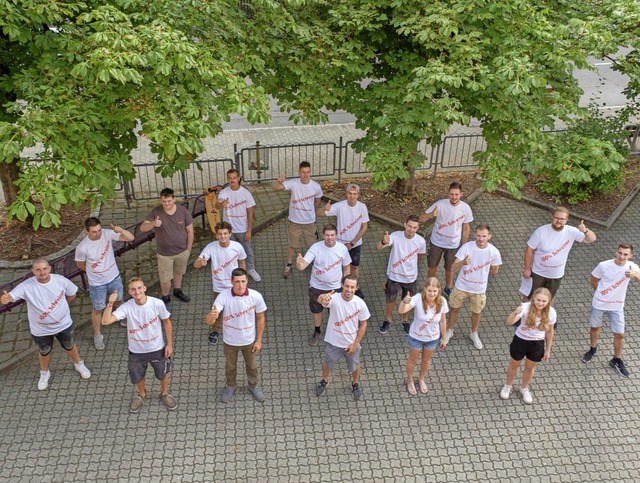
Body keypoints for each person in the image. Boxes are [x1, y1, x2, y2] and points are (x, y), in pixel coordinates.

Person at [0, 259, 91, 391]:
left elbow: (72, 294)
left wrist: (61, 308)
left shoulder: (61, 280)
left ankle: (78, 364)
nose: (42, 272)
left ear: (49, 268)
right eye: (38, 270)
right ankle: (44, 373)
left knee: (70, 346)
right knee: (44, 352)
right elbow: (11, 297)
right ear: (33, 271)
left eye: (44, 269)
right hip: (40, 330)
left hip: (64, 325)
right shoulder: (26, 286)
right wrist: (6, 299)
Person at [102, 277, 177, 413]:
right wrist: (111, 303)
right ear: (130, 292)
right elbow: (106, 321)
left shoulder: (157, 303)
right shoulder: (127, 307)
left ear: (144, 288)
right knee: (138, 376)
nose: (137, 291)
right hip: (136, 352)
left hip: (157, 348)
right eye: (133, 289)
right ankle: (142, 395)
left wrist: (169, 344)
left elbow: (167, 322)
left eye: (139, 288)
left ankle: (164, 393)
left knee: (163, 373)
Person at [206, 268, 267, 403]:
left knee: (252, 366)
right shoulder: (223, 296)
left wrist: (259, 340)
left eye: (243, 281)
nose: (240, 285)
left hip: (249, 340)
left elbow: (261, 318)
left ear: (247, 281)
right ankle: (231, 385)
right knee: (230, 366)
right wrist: (212, 316)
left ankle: (253, 386)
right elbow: (209, 320)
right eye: (237, 282)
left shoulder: (256, 296)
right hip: (230, 341)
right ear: (231, 282)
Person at [75, 216, 134, 350]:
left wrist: (121, 230)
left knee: (119, 300)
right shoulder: (82, 247)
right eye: (94, 232)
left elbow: (130, 238)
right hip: (97, 284)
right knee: (98, 309)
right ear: (87, 232)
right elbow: (80, 264)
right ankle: (97, 335)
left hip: (114, 277)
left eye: (99, 230)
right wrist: (93, 271)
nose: (98, 234)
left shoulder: (107, 234)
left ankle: (123, 318)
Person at [581, 244, 640, 377]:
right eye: (620, 253)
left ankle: (617, 360)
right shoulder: (604, 265)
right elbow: (594, 280)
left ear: (630, 255)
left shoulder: (632, 267)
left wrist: (634, 274)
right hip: (599, 304)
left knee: (619, 334)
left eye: (625, 254)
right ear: (616, 252)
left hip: (617, 306)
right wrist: (601, 293)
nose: (622, 256)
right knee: (595, 327)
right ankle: (592, 349)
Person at [445, 225, 502, 350]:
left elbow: (495, 270)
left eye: (484, 236)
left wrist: (480, 276)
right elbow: (452, 268)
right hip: (461, 286)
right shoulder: (466, 247)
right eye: (478, 235)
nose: (481, 238)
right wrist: (462, 263)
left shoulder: (494, 252)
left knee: (477, 312)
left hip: (479, 290)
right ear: (475, 235)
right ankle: (450, 330)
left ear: (489, 236)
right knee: (454, 309)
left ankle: (474, 333)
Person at [314, 275, 370, 401]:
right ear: (342, 285)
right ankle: (325, 381)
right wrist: (322, 297)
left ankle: (355, 383)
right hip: (333, 341)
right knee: (327, 362)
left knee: (355, 366)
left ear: (356, 288)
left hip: (351, 344)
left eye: (352, 287)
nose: (349, 290)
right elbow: (320, 300)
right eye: (347, 286)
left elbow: (363, 324)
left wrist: (355, 344)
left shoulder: (360, 304)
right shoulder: (334, 298)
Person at [523, 206, 596, 300]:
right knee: (530, 297)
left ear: (566, 220)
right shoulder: (541, 231)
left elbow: (592, 239)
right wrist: (527, 269)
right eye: (556, 218)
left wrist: (585, 231)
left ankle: (546, 314)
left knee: (549, 298)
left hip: (556, 275)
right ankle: (524, 314)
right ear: (552, 217)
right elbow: (530, 249)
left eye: (562, 219)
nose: (559, 221)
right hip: (538, 273)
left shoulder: (571, 231)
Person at [296, 224, 351, 346]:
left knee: (335, 311)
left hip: (335, 288)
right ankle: (317, 331)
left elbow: (346, 267)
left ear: (336, 235)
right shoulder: (316, 248)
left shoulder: (342, 249)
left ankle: (335, 332)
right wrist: (299, 264)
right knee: (316, 310)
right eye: (327, 235)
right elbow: (302, 266)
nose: (330, 238)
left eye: (332, 235)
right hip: (317, 287)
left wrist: (345, 285)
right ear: (323, 235)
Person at [194, 221, 247, 345]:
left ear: (230, 234)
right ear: (216, 235)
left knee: (238, 309)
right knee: (217, 310)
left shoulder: (237, 247)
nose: (223, 236)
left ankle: (238, 330)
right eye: (220, 234)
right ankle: (215, 331)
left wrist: (243, 281)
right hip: (218, 287)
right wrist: (200, 263)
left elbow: (242, 262)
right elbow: (196, 263)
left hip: (235, 286)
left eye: (225, 233)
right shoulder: (210, 247)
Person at [500, 288, 556, 405]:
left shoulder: (551, 312)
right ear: (533, 298)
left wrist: (548, 349)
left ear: (548, 301)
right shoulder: (525, 307)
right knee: (514, 364)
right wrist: (515, 312)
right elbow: (510, 322)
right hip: (520, 340)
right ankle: (508, 386)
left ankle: (524, 388)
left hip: (537, 343)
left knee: (530, 367)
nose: (540, 303)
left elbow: (550, 332)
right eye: (538, 300)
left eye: (544, 301)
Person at [140, 187, 194, 305]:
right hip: (164, 254)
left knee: (179, 272)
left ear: (174, 199)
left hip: (182, 251)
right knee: (165, 277)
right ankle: (165, 296)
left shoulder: (183, 211)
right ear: (161, 200)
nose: (166, 204)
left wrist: (188, 250)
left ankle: (177, 290)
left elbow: (190, 231)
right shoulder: (156, 212)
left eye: (169, 201)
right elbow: (142, 228)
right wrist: (154, 223)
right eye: (164, 201)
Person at [420, 182, 473, 298]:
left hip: (453, 245)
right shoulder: (440, 204)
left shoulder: (465, 208)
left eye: (456, 194)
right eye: (452, 194)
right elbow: (421, 218)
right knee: (432, 266)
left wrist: (464, 246)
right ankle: (429, 286)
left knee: (450, 269)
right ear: (448, 193)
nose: (454, 197)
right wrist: (431, 215)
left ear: (461, 194)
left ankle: (448, 288)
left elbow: (466, 228)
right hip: (436, 243)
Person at [376, 215, 427, 334]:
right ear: (405, 225)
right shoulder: (395, 236)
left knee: (407, 300)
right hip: (394, 276)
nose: (411, 229)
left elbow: (420, 256)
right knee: (390, 298)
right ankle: (388, 319)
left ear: (418, 228)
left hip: (410, 278)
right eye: (409, 226)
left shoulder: (421, 241)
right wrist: (384, 241)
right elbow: (379, 247)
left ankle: (405, 321)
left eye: (415, 227)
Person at [272, 161, 323, 279]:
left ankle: (313, 263)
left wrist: (310, 211)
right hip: (295, 222)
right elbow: (275, 187)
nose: (305, 175)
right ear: (299, 173)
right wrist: (279, 181)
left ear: (310, 172)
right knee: (292, 244)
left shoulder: (316, 186)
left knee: (312, 245)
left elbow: (318, 201)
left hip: (309, 222)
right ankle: (288, 265)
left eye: (308, 172)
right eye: (303, 172)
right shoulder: (293, 183)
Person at [399, 277, 448, 396]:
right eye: (429, 290)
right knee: (412, 360)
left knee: (426, 360)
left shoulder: (442, 301)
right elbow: (402, 311)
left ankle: (421, 379)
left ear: (438, 291)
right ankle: (410, 381)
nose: (432, 294)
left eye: (434, 291)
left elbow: (442, 321)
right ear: (425, 289)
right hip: (416, 337)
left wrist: (444, 337)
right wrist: (404, 301)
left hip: (432, 339)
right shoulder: (417, 299)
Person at [318, 183, 369, 290]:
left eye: (355, 194)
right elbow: (319, 213)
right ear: (346, 194)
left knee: (354, 266)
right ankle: (341, 286)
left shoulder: (362, 207)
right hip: (340, 244)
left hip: (355, 244)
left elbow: (364, 227)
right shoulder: (339, 206)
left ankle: (354, 287)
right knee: (340, 266)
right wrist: (324, 208)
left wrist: (352, 243)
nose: (352, 196)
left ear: (358, 195)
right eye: (350, 193)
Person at [217, 168, 261, 282]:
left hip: (242, 229)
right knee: (228, 251)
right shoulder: (224, 192)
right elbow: (217, 205)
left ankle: (251, 269)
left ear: (238, 178)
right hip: (228, 231)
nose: (232, 180)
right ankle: (231, 272)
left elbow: (250, 213)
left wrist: (249, 230)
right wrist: (221, 203)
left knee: (247, 251)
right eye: (230, 178)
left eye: (234, 178)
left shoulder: (245, 193)